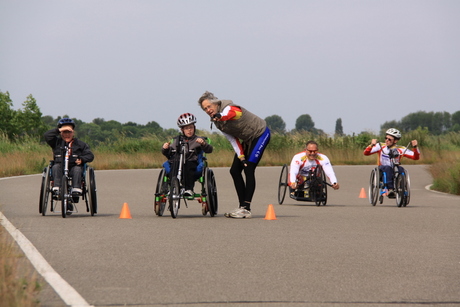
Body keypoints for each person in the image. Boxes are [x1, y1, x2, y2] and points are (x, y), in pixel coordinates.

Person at [198, 91, 271, 218]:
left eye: (209, 106)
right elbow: (233, 140)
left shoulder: (229, 108)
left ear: (215, 103)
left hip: (260, 134)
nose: (208, 110)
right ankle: (242, 206)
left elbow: (231, 114)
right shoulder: (217, 122)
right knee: (234, 170)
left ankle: (246, 209)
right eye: (205, 109)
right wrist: (241, 157)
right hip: (247, 139)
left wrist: (221, 116)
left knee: (249, 169)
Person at [162, 113, 213, 197]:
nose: (189, 130)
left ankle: (188, 188)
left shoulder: (198, 140)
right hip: (177, 162)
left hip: (191, 162)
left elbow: (209, 150)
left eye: (191, 127)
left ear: (194, 128)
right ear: (182, 130)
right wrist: (165, 148)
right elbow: (168, 154)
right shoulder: (176, 141)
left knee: (188, 166)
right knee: (173, 166)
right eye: (186, 128)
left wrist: (203, 144)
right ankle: (173, 188)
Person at [44, 118, 94, 202]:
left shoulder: (80, 144)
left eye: (69, 132)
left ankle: (76, 189)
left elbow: (90, 155)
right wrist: (59, 129)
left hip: (74, 167)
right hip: (60, 167)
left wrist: (82, 159)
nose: (67, 134)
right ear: (60, 133)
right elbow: (46, 135)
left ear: (73, 132)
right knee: (55, 167)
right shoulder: (56, 142)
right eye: (64, 132)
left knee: (77, 169)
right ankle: (57, 188)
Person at [363, 128, 419, 197]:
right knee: (388, 168)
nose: (386, 140)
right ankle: (390, 189)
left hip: (395, 168)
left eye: (389, 139)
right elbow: (366, 153)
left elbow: (416, 157)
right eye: (386, 138)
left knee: (401, 170)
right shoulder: (380, 146)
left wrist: (415, 148)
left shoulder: (401, 149)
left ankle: (402, 188)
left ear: (395, 141)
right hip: (382, 168)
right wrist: (371, 145)